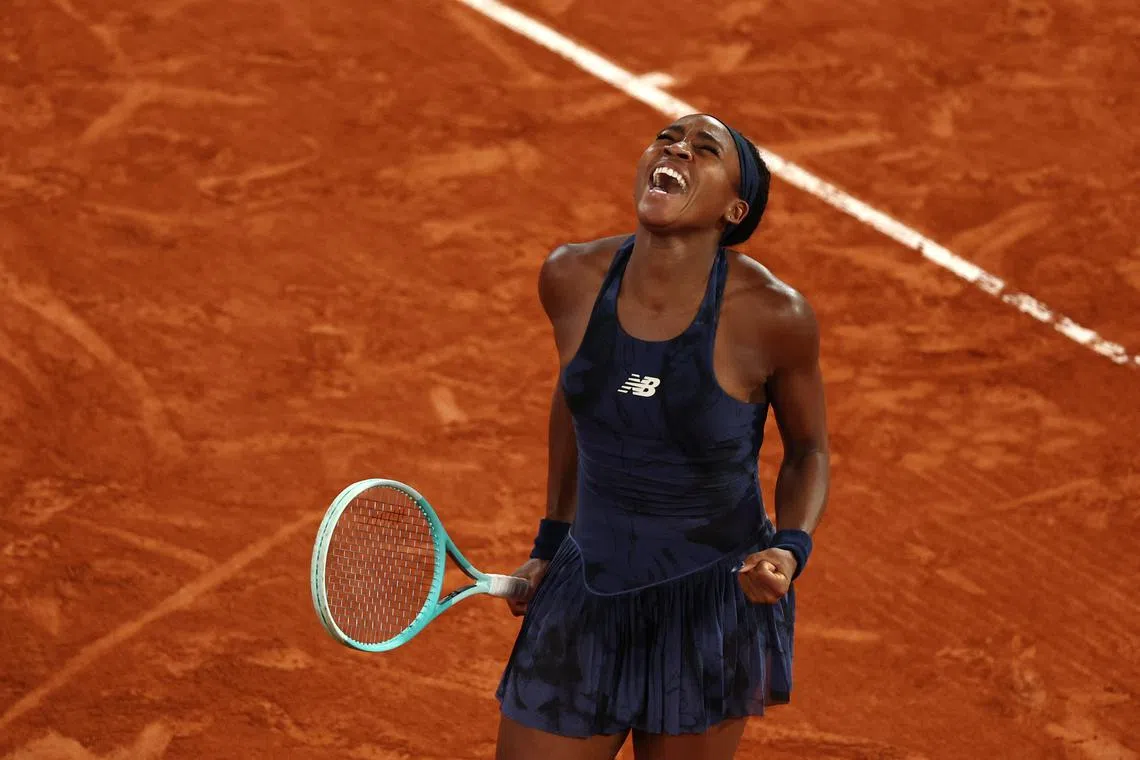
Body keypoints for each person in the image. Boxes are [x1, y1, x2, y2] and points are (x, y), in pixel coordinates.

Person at [495, 113, 830, 760]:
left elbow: (809, 450)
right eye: (668, 138)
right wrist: (550, 542)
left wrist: (789, 550)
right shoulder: (570, 277)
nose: (676, 148)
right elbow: (575, 397)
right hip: (586, 589)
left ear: (735, 208)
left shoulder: (772, 317)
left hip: (711, 606)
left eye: (704, 150)